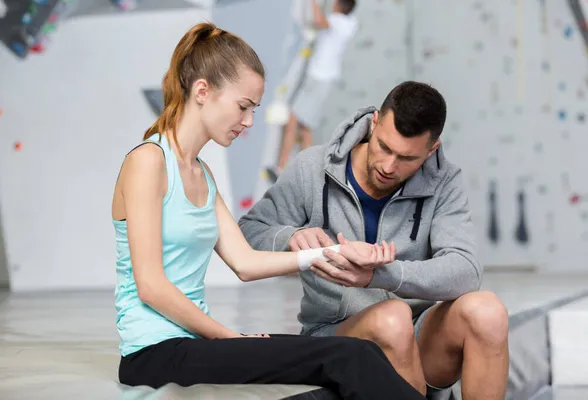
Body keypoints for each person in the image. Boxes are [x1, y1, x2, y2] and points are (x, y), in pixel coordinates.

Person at [110, 22, 426, 400]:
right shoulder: (148, 162)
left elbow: (245, 262)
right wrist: (226, 337)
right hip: (153, 354)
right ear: (202, 91)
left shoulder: (202, 175)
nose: (248, 122)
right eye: (243, 107)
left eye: (254, 109)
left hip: (195, 344)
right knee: (350, 357)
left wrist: (330, 253)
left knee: (353, 367)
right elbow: (151, 286)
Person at [239, 81, 510, 399]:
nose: (388, 166)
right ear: (375, 122)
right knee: (391, 321)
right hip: (336, 337)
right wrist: (291, 236)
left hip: (417, 337)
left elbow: (466, 271)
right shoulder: (312, 168)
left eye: (407, 158)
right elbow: (248, 231)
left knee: (487, 312)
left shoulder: (444, 182)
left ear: (431, 150)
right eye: (384, 146)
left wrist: (382, 275)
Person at [266, 0, 358, 183]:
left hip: (319, 78)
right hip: (323, 79)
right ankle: (309, 174)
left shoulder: (338, 21)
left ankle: (281, 167)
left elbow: (318, 20)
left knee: (293, 120)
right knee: (306, 126)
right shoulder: (351, 23)